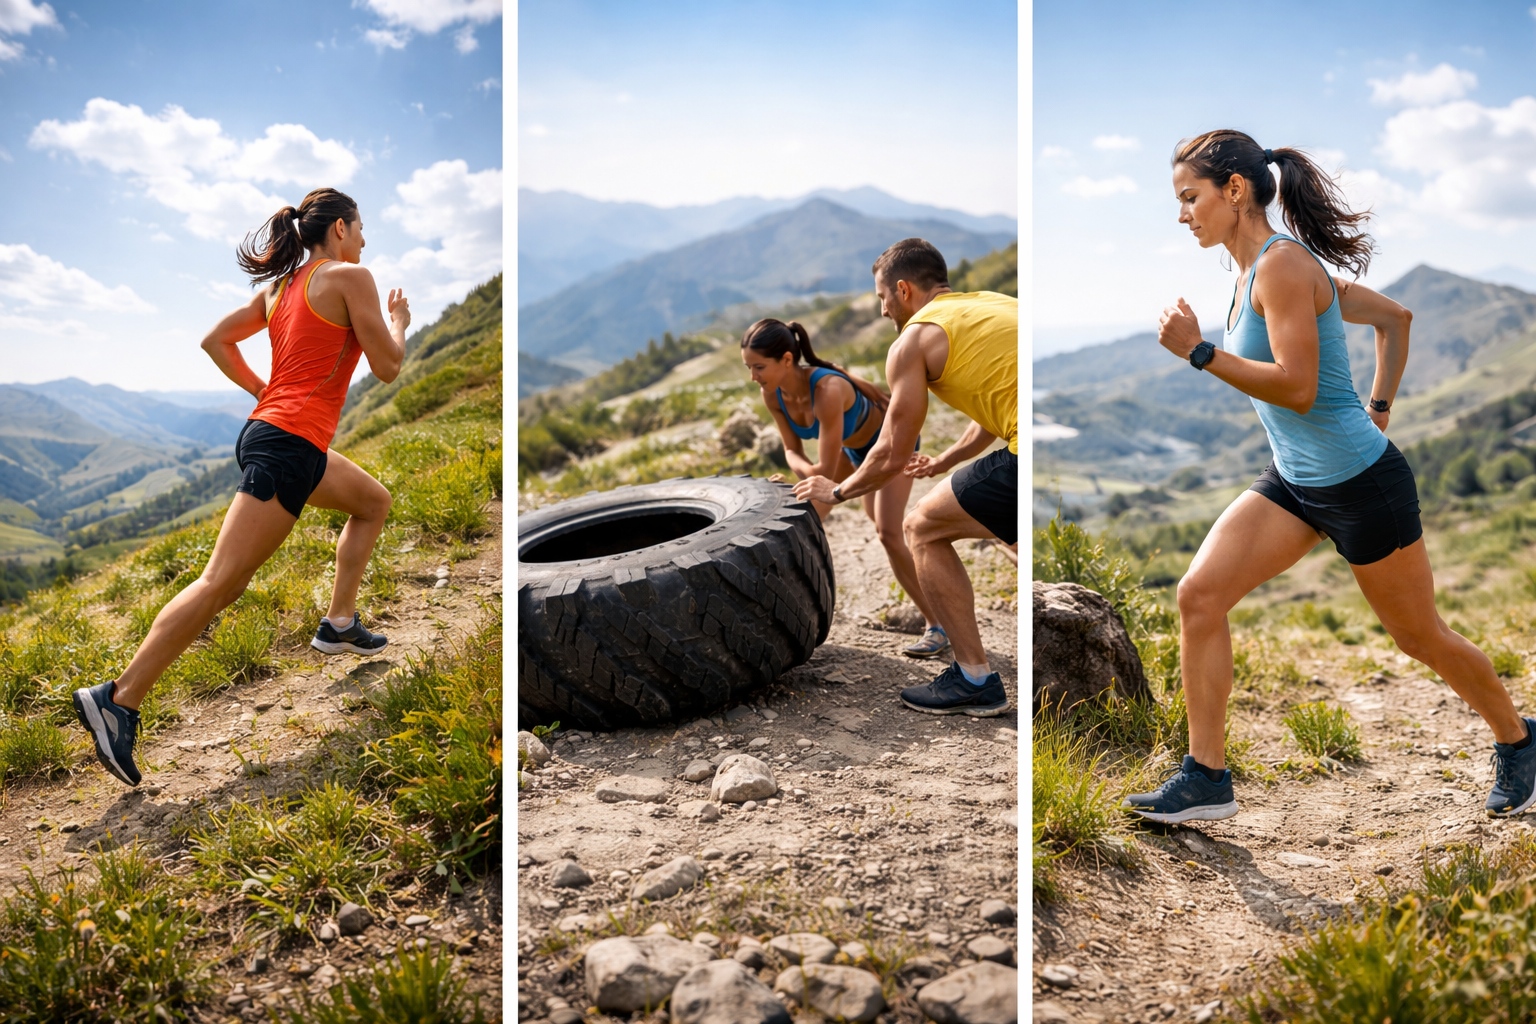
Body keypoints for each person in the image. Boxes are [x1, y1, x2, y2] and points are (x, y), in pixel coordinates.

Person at [1123, 129, 1536, 824]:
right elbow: (1394, 319)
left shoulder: (1283, 267)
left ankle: (1521, 742)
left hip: (1361, 486)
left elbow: (1300, 387)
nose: (1182, 214)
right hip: (1295, 482)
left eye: (1190, 197)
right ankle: (1207, 778)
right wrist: (1377, 407)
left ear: (1234, 190)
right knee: (1199, 596)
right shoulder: (1251, 273)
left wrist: (1198, 353)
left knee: (1420, 637)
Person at [72, 187, 409, 787]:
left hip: (282, 439)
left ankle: (338, 622)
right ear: (338, 230)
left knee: (372, 502)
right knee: (219, 583)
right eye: (360, 228)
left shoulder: (279, 290)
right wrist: (399, 323)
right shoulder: (351, 277)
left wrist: (264, 395)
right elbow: (388, 367)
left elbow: (215, 342)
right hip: (288, 446)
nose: (364, 239)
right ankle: (117, 699)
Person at [793, 237, 1018, 716]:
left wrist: (837, 491)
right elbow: (995, 398)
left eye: (881, 298)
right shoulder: (991, 305)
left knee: (920, 527)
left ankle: (975, 678)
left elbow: (893, 452)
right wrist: (945, 460)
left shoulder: (913, 340)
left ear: (903, 290)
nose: (881, 311)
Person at [741, 319, 949, 659]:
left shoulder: (827, 391)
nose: (753, 376)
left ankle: (938, 624)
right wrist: (807, 481)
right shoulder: (772, 394)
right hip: (851, 450)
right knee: (810, 516)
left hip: (892, 444)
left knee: (888, 532)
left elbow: (823, 470)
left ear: (787, 360)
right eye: (749, 367)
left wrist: (809, 480)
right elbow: (791, 450)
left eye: (759, 367)